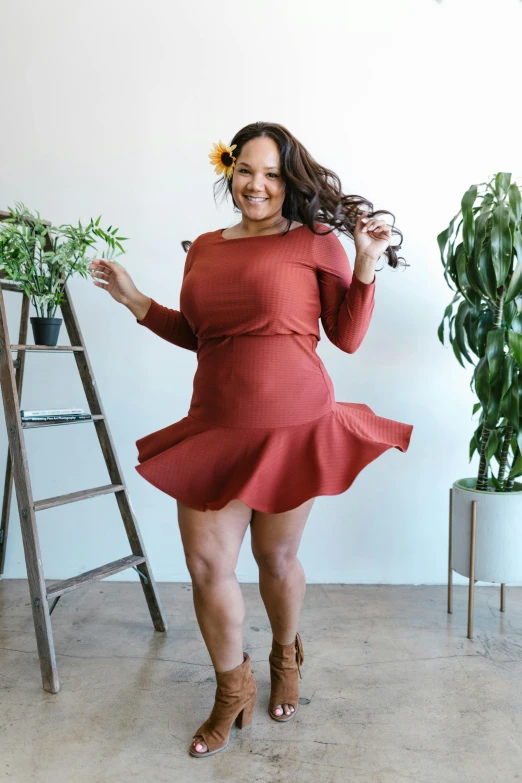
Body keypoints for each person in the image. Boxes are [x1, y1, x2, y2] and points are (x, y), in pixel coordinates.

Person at [88, 121, 414, 759]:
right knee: (207, 565)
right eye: (245, 171)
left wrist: (367, 261)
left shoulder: (316, 241)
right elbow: (203, 334)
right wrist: (135, 300)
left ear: (287, 180)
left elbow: (346, 337)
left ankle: (286, 656)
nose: (256, 185)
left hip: (293, 425)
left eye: (270, 173)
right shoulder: (205, 247)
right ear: (228, 171)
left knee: (275, 561)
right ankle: (231, 688)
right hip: (215, 423)